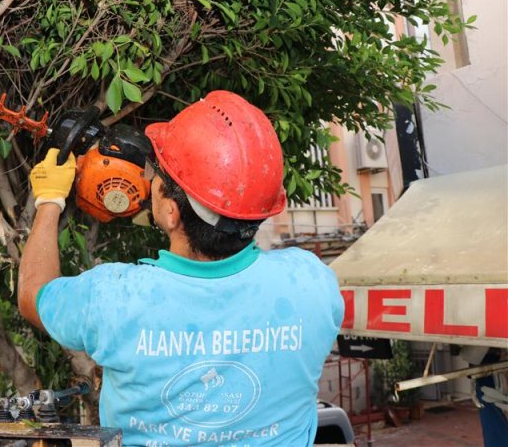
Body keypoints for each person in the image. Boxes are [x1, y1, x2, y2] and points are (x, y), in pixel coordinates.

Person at [18, 90, 344, 446]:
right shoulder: (313, 284)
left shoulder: (114, 299)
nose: (151, 179)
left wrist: (50, 199)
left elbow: (34, 292)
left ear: (172, 212)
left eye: (157, 175)